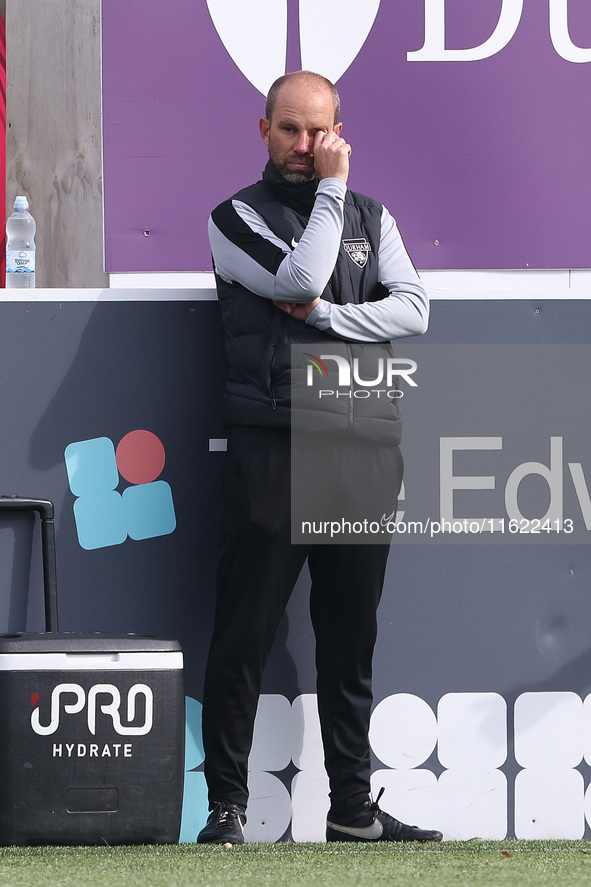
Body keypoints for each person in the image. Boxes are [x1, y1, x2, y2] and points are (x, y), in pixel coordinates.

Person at [197, 70, 442, 846]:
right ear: (261, 128)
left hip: (361, 444)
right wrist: (333, 195)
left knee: (349, 637)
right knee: (244, 631)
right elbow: (296, 273)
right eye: (290, 130)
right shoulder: (234, 217)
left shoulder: (376, 216)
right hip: (273, 442)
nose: (305, 148)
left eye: (319, 132)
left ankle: (351, 810)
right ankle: (227, 808)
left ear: (339, 129)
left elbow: (415, 306)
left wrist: (330, 315)